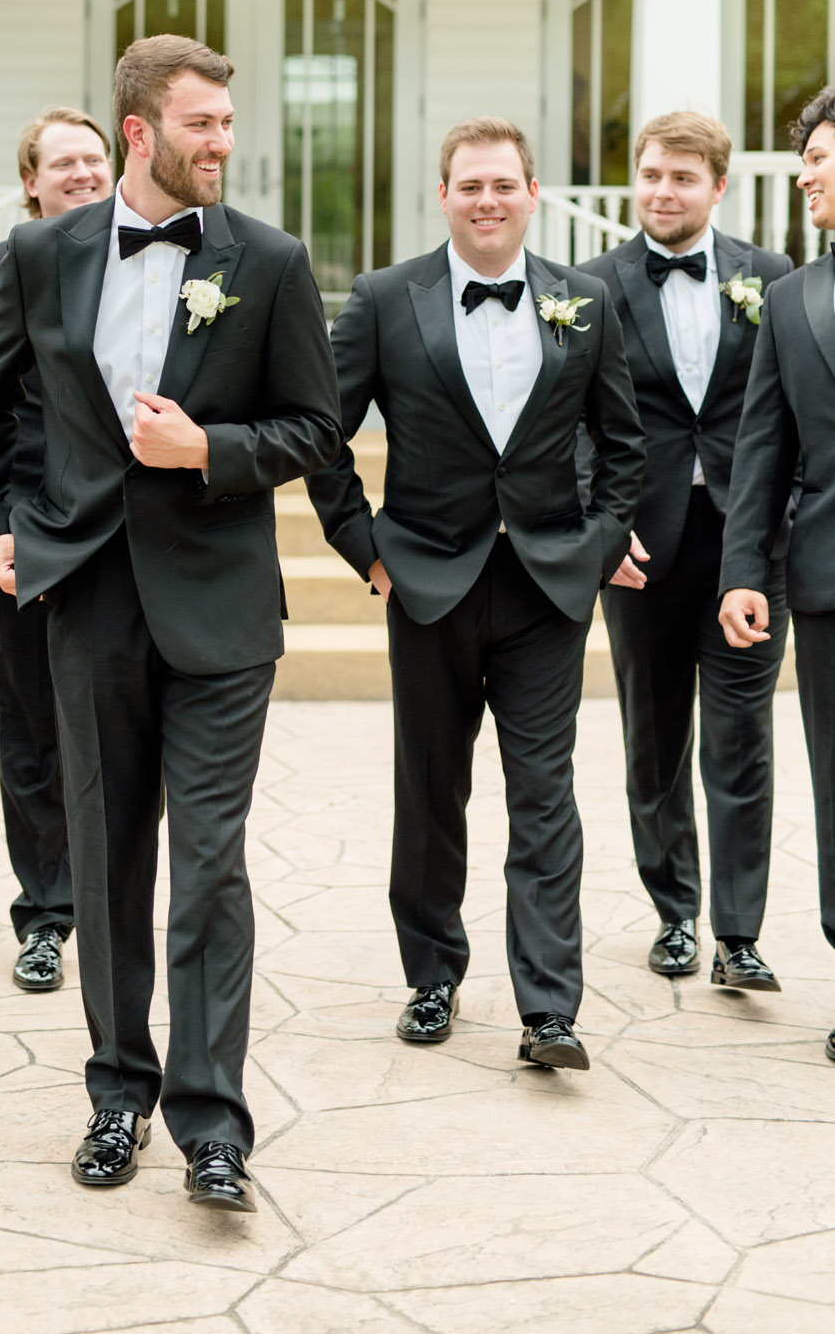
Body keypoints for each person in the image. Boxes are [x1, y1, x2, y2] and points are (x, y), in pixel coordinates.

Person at [0, 35, 341, 1212]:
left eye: (227, 121)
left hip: (220, 606)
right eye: (200, 123)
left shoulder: (266, 262)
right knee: (106, 858)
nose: (221, 141)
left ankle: (212, 1121)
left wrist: (209, 449)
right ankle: (116, 1093)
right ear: (138, 132)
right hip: (82, 593)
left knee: (207, 862)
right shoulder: (39, 251)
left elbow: (315, 432)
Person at [307, 117, 644, 1072]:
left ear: (532, 193)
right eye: (470, 186)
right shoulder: (382, 299)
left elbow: (623, 445)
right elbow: (324, 434)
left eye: (504, 184)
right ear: (444, 196)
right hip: (427, 583)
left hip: (545, 587)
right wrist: (362, 545)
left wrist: (598, 543)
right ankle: (431, 976)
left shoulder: (585, 299)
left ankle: (548, 1007)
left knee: (546, 795)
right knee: (431, 789)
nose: (488, 200)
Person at [578, 112, 790, 990]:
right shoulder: (589, 284)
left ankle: (740, 935)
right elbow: (572, 415)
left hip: (749, 542)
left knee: (743, 736)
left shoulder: (772, 279)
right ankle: (676, 912)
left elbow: (788, 411)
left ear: (718, 187)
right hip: (641, 546)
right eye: (652, 176)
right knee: (654, 736)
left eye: (682, 178)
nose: (662, 192)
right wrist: (601, 518)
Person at [0, 107, 113, 994]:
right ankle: (47, 913)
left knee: (116, 725)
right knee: (30, 726)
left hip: (125, 528)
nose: (82, 174)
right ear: (31, 180)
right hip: (29, 531)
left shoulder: (142, 254)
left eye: (93, 159)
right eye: (63, 163)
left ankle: (113, 896)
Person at [720, 84, 835, 1062]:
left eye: (818, 157)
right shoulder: (791, 299)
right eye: (803, 161)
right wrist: (739, 571)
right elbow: (761, 446)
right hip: (824, 582)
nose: (804, 173)